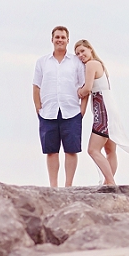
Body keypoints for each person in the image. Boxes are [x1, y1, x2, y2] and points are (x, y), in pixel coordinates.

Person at [74, 39, 129, 184]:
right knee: (110, 150)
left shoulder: (91, 64)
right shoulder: (100, 64)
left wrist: (78, 91)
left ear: (90, 49)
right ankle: (108, 182)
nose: (80, 55)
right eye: (77, 54)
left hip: (103, 111)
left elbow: (87, 89)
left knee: (93, 150)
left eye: (82, 51)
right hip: (110, 108)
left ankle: (110, 182)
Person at [32, 26, 86, 187]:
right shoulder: (42, 62)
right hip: (48, 111)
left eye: (63, 37)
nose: (60, 40)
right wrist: (38, 108)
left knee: (71, 150)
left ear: (68, 40)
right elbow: (36, 86)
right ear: (52, 39)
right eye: (57, 37)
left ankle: (68, 185)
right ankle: (53, 186)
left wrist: (82, 110)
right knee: (51, 150)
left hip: (71, 110)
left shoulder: (76, 62)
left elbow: (84, 86)